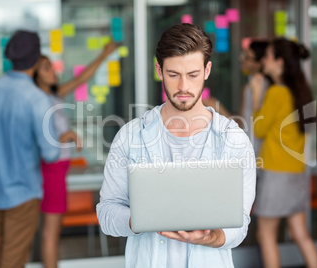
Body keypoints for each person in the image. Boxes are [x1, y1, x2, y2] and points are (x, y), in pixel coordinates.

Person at [96, 23, 256, 267]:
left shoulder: (233, 139)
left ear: (207, 70)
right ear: (159, 70)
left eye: (192, 74)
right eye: (173, 75)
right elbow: (107, 212)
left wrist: (213, 237)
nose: (183, 87)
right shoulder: (131, 136)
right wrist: (140, 219)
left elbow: (240, 222)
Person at [0, 30, 60, 268]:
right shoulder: (37, 99)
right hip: (22, 193)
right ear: (36, 59)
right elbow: (51, 153)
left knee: (2, 252)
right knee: (12, 260)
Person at [33, 41, 118, 268]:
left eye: (52, 66)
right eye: (46, 68)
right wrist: (64, 135)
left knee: (53, 228)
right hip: (50, 168)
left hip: (58, 168)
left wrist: (104, 54)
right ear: (34, 74)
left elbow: (82, 79)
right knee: (51, 230)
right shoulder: (35, 101)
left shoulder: (53, 95)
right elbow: (32, 139)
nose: (53, 72)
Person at [251, 38, 317, 268]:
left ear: (279, 61)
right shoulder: (300, 92)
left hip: (275, 174)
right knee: (301, 234)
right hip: (296, 173)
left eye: (268, 56)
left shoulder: (276, 92)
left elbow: (259, 129)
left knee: (266, 236)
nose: (263, 60)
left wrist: (255, 96)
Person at [237, 40, 270, 154]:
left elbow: (261, 126)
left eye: (247, 57)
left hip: (261, 153)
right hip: (247, 149)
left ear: (260, 63)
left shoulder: (269, 88)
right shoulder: (247, 88)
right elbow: (242, 123)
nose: (242, 59)